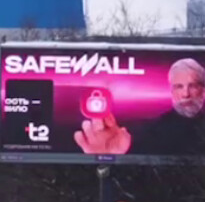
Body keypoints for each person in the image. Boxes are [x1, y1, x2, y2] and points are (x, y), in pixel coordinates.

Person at [74, 58, 205, 155]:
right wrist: (111, 159)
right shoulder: (156, 130)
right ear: (171, 91)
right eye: (179, 87)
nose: (186, 94)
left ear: (203, 90)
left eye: (192, 86)